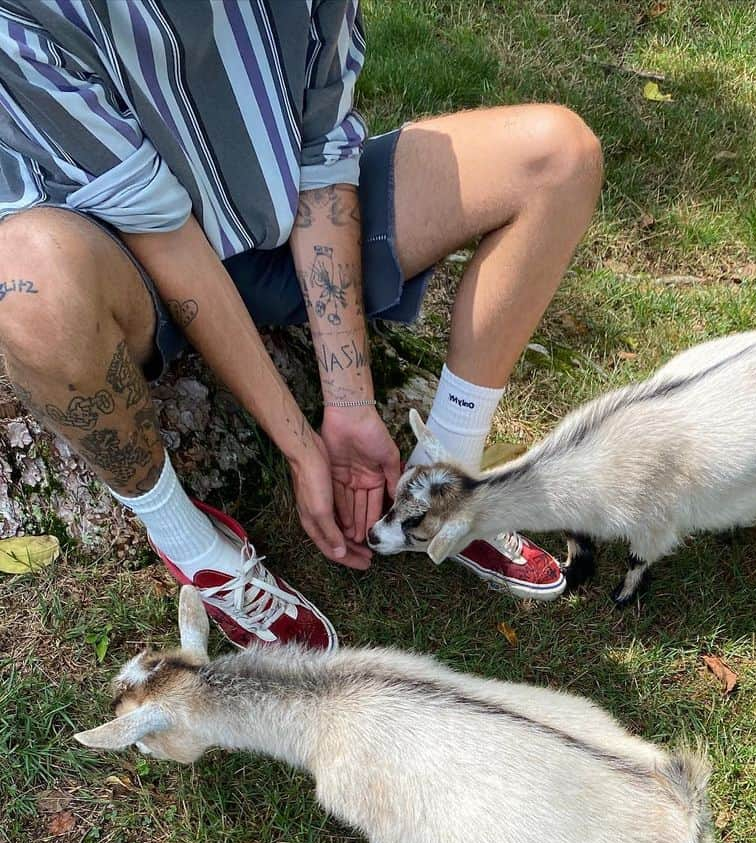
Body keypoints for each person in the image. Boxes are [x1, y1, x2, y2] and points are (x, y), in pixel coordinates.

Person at [0, 0, 602, 649]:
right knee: (25, 284)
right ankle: (188, 543)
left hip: (279, 216)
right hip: (128, 265)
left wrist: (349, 404)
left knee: (558, 156)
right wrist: (299, 444)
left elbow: (322, 158)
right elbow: (161, 231)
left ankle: (445, 479)